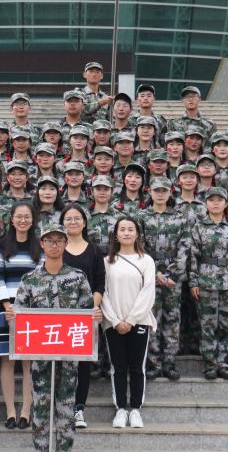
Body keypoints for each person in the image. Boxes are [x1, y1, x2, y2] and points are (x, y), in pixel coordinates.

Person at [11, 224, 97, 452]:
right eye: (50, 241)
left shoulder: (78, 277)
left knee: (66, 410)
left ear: (65, 244)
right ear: (42, 244)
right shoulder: (30, 279)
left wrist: (94, 316)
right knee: (40, 409)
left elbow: (86, 313)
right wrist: (14, 317)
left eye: (59, 240)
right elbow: (20, 313)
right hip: (41, 359)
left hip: (68, 359)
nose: (55, 245)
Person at [101, 216, 155, 429]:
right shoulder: (107, 262)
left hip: (139, 322)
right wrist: (115, 320)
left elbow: (148, 292)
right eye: (122, 229)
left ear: (137, 234)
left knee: (137, 367)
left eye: (130, 229)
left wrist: (131, 320)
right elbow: (103, 293)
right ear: (116, 234)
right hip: (113, 323)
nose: (126, 233)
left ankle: (135, 410)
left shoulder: (146, 260)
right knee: (118, 367)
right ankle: (121, 409)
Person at [188, 187, 228, 380]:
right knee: (208, 324)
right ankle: (210, 364)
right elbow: (193, 256)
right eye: (211, 200)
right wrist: (193, 281)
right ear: (206, 203)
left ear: (226, 203)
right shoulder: (198, 228)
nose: (215, 203)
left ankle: (224, 363)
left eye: (219, 200)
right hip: (206, 281)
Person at [0, 202, 39, 429]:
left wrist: (28, 306)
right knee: (8, 360)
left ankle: (26, 412)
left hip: (32, 311)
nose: (22, 220)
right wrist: (7, 304)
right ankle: (10, 411)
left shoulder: (39, 245)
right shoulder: (2, 245)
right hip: (7, 310)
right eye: (18, 216)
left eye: (27, 216)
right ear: (11, 219)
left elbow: (41, 277)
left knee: (29, 362)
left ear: (32, 220)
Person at [59, 203, 106, 429]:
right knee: (61, 363)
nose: (73, 222)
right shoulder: (58, 248)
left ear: (85, 222)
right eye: (68, 218)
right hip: (60, 315)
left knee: (83, 364)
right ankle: (61, 407)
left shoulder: (94, 250)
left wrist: (87, 308)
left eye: (77, 218)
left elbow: (100, 283)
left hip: (85, 317)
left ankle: (78, 409)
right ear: (62, 223)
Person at [141, 177, 190, 380]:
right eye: (157, 190)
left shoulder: (179, 218)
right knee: (152, 319)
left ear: (170, 192)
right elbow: (139, 248)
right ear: (150, 192)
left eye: (164, 190)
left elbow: (184, 248)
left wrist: (172, 274)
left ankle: (169, 362)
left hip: (173, 279)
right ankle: (153, 363)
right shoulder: (142, 217)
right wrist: (154, 274)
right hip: (149, 277)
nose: (160, 194)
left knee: (172, 319)